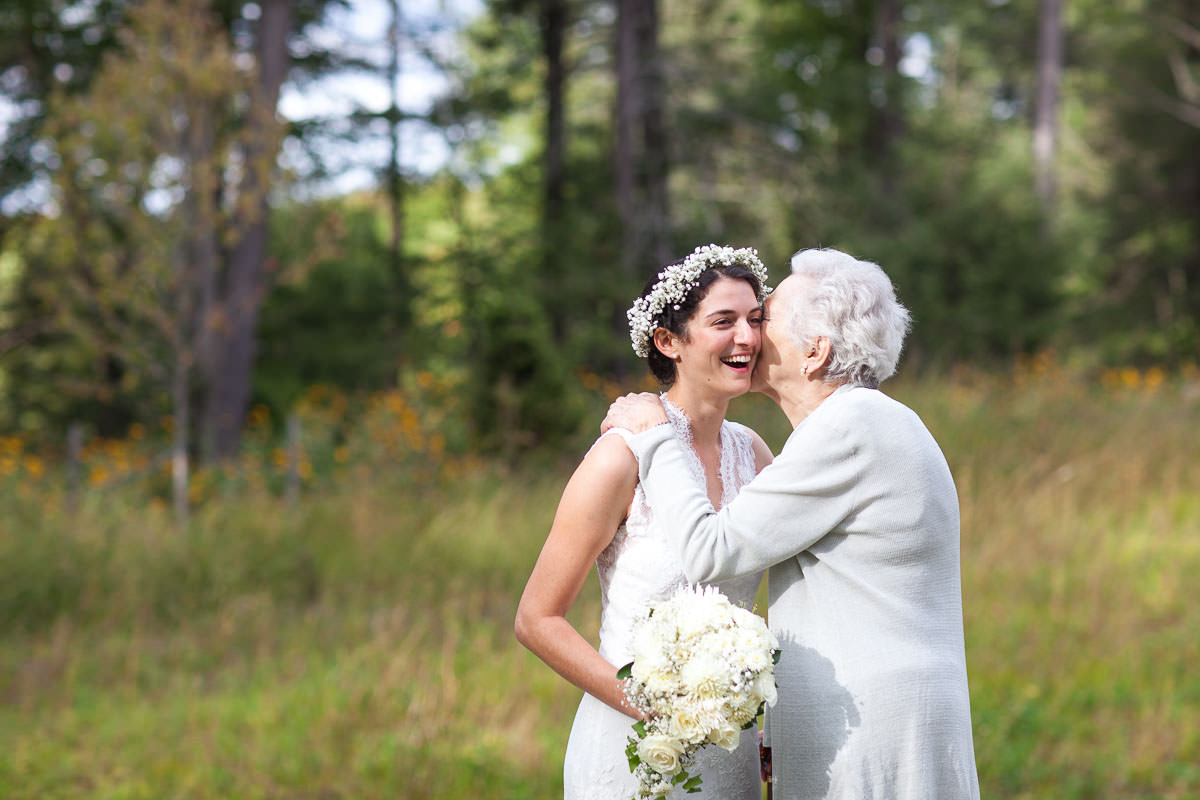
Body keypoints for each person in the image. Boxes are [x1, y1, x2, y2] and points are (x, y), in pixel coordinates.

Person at [603, 248, 981, 799]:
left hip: (874, 732)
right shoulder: (869, 423)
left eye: (763, 320)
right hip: (886, 717)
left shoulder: (851, 425)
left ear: (814, 352)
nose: (751, 337)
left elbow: (710, 551)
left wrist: (656, 436)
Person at [515, 244, 775, 799]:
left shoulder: (754, 454)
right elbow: (537, 619)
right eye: (723, 321)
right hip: (632, 746)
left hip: (730, 756)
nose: (747, 338)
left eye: (755, 319)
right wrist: (657, 709)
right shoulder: (620, 456)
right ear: (668, 341)